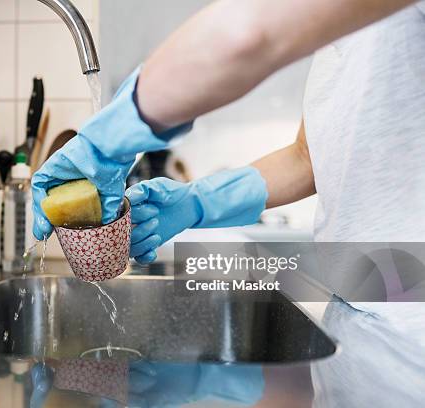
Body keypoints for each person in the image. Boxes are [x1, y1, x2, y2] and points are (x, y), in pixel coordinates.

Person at [32, 0, 425, 406]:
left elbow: (245, 34)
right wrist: (197, 202)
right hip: (361, 298)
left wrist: (108, 139)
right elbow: (308, 159)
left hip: (412, 324)